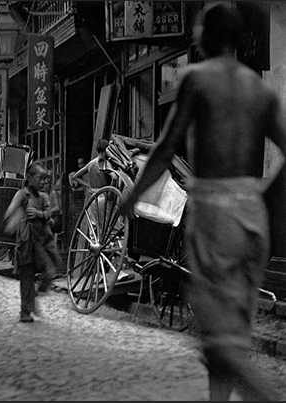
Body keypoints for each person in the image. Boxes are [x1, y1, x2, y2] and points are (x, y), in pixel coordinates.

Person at [118, 3, 286, 401]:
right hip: (251, 214)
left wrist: (132, 196)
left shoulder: (196, 78)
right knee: (234, 335)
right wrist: (263, 192)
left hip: (215, 213)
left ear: (207, 37)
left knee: (216, 342)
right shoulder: (261, 90)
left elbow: (164, 149)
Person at [4, 162, 63, 323]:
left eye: (45, 179)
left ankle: (37, 292)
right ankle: (26, 311)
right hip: (27, 242)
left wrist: (39, 214)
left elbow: (49, 213)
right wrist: (18, 215)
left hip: (44, 241)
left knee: (51, 270)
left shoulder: (43, 197)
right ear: (29, 178)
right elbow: (10, 211)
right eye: (39, 178)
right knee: (27, 277)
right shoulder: (23, 195)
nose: (43, 182)